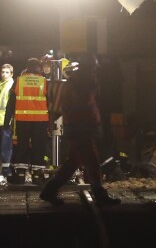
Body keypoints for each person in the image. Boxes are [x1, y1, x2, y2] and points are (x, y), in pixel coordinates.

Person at [39, 54, 121, 207]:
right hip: (80, 128)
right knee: (93, 162)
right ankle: (100, 195)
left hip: (79, 127)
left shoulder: (79, 82)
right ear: (89, 68)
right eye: (94, 68)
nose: (95, 71)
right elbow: (84, 105)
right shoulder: (82, 83)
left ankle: (49, 191)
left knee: (72, 163)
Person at [10, 58, 49, 171]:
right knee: (38, 146)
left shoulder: (19, 80)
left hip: (22, 119)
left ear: (27, 67)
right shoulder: (44, 81)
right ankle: (38, 174)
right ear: (38, 68)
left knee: (21, 145)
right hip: (41, 120)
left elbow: (12, 100)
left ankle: (20, 174)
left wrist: (12, 115)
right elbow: (49, 101)